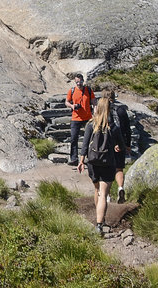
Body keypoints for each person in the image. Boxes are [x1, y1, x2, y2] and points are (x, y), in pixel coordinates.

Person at [78, 96, 123, 236]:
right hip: (108, 163)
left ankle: (98, 218)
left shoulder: (91, 125)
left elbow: (84, 145)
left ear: (97, 108)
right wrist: (116, 146)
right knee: (104, 194)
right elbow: (121, 145)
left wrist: (81, 161)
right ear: (109, 109)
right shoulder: (113, 127)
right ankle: (99, 223)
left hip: (92, 162)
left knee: (96, 190)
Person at [102, 88, 131, 202]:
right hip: (121, 143)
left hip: (107, 143)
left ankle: (107, 196)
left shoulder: (103, 110)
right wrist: (127, 144)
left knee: (107, 169)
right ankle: (120, 188)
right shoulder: (121, 110)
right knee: (119, 168)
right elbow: (128, 130)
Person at [65, 73, 94, 168]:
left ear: (83, 81)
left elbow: (94, 101)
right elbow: (67, 102)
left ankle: (91, 158)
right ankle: (74, 159)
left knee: (90, 138)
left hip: (88, 118)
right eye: (77, 82)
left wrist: (96, 112)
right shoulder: (72, 91)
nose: (78, 83)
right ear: (75, 82)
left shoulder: (88, 90)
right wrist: (72, 106)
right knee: (73, 138)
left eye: (80, 81)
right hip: (76, 117)